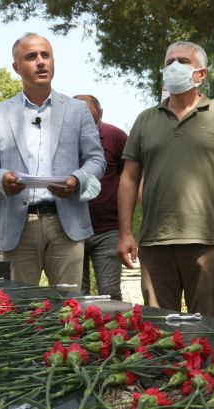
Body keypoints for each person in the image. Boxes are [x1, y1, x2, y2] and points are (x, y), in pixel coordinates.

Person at [118, 41, 214, 319]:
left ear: (201, 74)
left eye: (182, 61)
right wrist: (126, 233)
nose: (174, 67)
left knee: (206, 330)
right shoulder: (145, 119)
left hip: (208, 242)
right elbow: (129, 179)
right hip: (154, 243)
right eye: (169, 62)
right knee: (157, 330)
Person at [0, 33, 105, 287]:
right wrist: (1, 179)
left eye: (45, 55)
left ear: (53, 61)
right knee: (20, 305)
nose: (40, 62)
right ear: (16, 67)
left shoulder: (77, 110)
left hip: (66, 223)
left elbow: (96, 159)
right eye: (31, 56)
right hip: (18, 224)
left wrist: (76, 180)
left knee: (69, 305)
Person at [74, 94, 128, 301]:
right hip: (71, 230)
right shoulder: (61, 140)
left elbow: (130, 179)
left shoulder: (116, 136)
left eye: (92, 122)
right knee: (75, 296)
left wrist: (127, 230)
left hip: (108, 230)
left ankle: (114, 324)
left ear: (101, 116)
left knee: (110, 294)